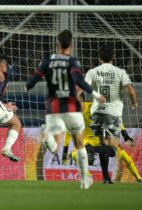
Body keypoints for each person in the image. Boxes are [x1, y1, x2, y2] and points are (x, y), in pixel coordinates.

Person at [26, 30, 106, 189]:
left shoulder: (47, 61)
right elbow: (78, 80)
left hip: (53, 108)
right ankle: (84, 180)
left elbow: (33, 80)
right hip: (71, 108)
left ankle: (47, 136)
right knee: (79, 143)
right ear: (72, 44)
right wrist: (96, 94)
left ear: (57, 44)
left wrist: (27, 86)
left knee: (54, 147)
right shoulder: (73, 62)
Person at [84, 44, 142, 183]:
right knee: (114, 149)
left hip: (97, 112)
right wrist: (134, 103)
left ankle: (105, 177)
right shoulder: (120, 72)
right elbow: (131, 90)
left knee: (103, 144)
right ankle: (93, 151)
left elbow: (81, 89)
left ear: (99, 58)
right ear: (113, 58)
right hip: (112, 113)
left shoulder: (92, 72)